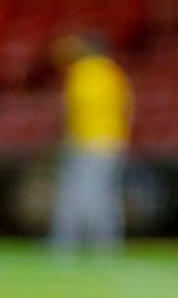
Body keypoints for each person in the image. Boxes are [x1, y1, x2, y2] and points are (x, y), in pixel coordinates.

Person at [48, 35, 132, 256]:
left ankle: (66, 246)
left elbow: (73, 108)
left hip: (86, 141)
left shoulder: (83, 70)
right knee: (104, 196)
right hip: (112, 141)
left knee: (77, 195)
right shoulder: (113, 71)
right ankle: (105, 246)